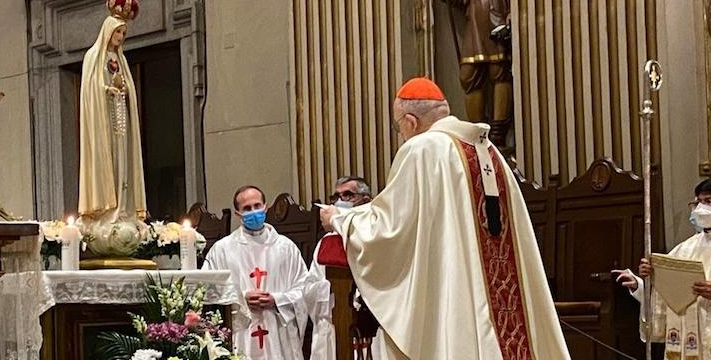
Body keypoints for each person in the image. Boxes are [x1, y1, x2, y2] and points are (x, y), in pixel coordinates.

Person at [320, 77, 570, 359]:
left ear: (410, 121)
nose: (400, 133)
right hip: (502, 294)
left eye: (397, 125)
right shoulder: (489, 151)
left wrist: (341, 220)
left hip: (459, 290)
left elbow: (391, 228)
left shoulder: (422, 149)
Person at [78, 0, 148, 256]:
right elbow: (89, 90)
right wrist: (105, 90)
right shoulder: (92, 57)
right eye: (118, 32)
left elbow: (127, 87)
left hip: (121, 125)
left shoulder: (122, 60)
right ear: (107, 31)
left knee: (123, 165)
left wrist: (123, 90)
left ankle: (124, 211)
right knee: (107, 162)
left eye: (123, 33)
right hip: (102, 125)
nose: (120, 37)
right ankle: (107, 213)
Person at [203, 185, 308, 360]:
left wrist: (277, 299)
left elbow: (305, 289)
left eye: (257, 206)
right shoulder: (222, 249)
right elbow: (206, 289)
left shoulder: (285, 247)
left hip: (278, 332)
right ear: (237, 213)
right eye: (247, 208)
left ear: (265, 207)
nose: (254, 211)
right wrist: (241, 297)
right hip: (242, 330)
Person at [615, 179, 711, 359]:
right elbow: (669, 293)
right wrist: (645, 282)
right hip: (689, 342)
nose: (701, 208)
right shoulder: (685, 249)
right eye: (698, 202)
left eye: (708, 202)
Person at [306, 176, 388, 359]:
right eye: (336, 196)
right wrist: (334, 292)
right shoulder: (328, 243)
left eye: (348, 195)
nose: (340, 201)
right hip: (334, 327)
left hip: (373, 329)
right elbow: (309, 288)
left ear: (366, 200)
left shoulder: (377, 239)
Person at [436, 0, 513, 144]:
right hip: (474, 13)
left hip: (495, 7)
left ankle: (498, 134)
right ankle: (477, 133)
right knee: (468, 75)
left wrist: (511, 10)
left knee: (498, 69)